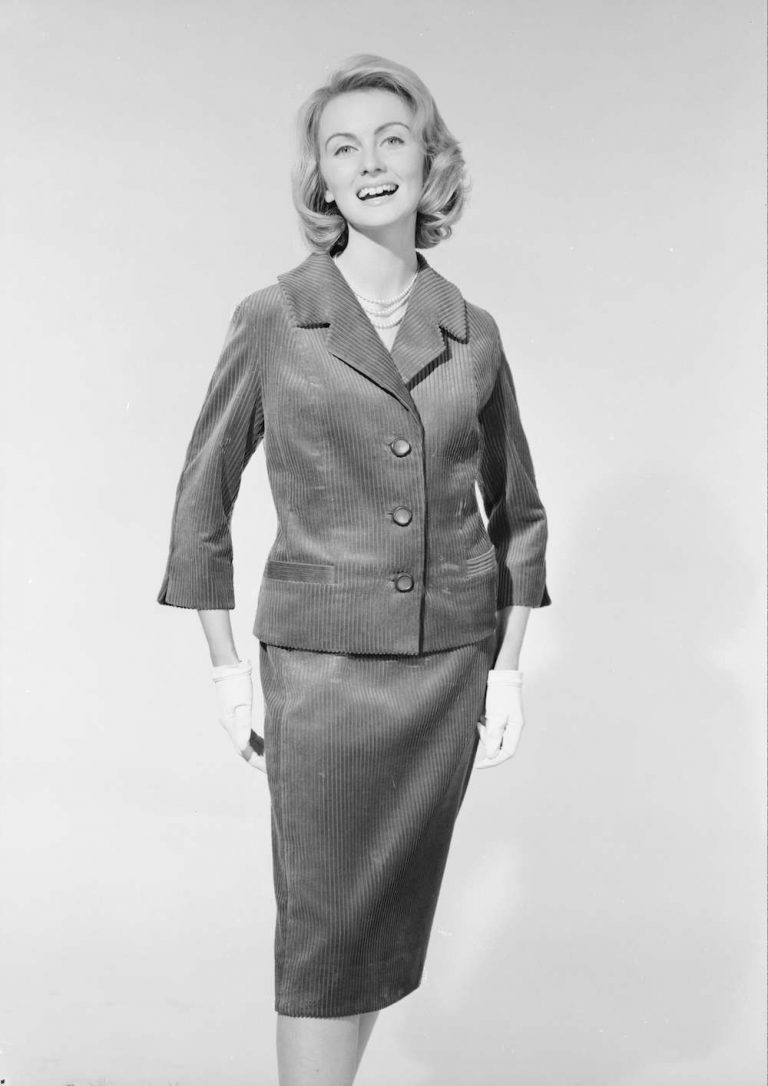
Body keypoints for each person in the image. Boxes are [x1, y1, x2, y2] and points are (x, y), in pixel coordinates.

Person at [157, 52, 552, 1086]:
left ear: (429, 161)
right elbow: (201, 501)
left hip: (446, 669)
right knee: (324, 938)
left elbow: (520, 514)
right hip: (322, 673)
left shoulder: (473, 334)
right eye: (344, 147)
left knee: (377, 931)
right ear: (322, 180)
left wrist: (507, 668)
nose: (370, 162)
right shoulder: (273, 318)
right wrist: (224, 669)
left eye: (391, 139)